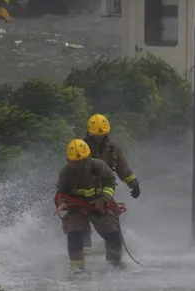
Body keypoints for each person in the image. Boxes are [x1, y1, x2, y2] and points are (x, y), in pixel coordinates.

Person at [55, 139, 125, 275]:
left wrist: (103, 199)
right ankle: (77, 272)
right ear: (68, 160)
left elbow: (111, 183)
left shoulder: (99, 166)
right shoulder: (65, 173)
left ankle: (115, 266)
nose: (76, 165)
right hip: (76, 208)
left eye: (80, 161)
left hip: (99, 205)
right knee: (74, 236)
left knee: (113, 236)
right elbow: (60, 192)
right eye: (73, 161)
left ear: (87, 157)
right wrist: (61, 203)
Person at [82, 113, 140, 255]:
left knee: (112, 230)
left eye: (101, 136)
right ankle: (81, 262)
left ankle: (114, 263)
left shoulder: (114, 148)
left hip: (104, 193)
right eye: (95, 136)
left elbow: (123, 169)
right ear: (89, 134)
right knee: (80, 227)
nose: (98, 138)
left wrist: (134, 185)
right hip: (82, 194)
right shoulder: (82, 147)